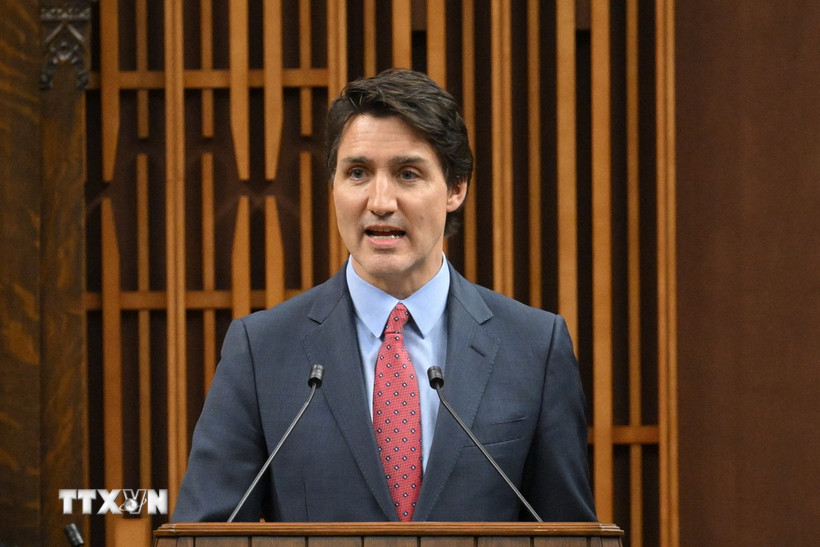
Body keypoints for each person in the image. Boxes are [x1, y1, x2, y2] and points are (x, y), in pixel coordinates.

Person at [172, 69, 596, 523]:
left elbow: (566, 531)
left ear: (456, 188)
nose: (380, 201)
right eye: (357, 173)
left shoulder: (535, 347)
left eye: (407, 174)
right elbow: (206, 532)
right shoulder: (261, 351)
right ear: (332, 185)